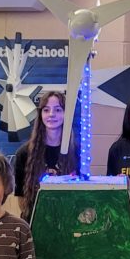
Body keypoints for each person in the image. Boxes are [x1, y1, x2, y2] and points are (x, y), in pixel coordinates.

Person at [13, 90, 79, 220]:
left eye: (58, 110)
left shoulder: (77, 151)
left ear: (67, 114)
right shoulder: (24, 154)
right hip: (34, 223)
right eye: (46, 110)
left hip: (68, 221)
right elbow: (21, 198)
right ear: (40, 114)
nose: (51, 114)